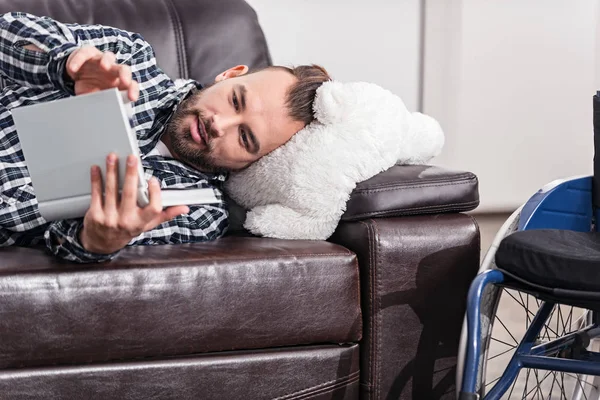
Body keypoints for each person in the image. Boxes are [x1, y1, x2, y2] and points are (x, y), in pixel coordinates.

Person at [0, 12, 331, 263]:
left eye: (245, 138)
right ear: (229, 75)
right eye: (234, 100)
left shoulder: (198, 213)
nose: (220, 124)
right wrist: (65, 63)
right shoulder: (129, 58)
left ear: (257, 161)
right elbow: (8, 32)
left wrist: (94, 243)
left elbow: (57, 242)